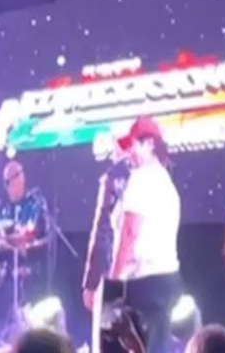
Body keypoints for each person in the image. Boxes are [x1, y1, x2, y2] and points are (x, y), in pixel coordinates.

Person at [107, 116, 182, 353]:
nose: (129, 153)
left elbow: (130, 232)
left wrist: (113, 283)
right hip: (165, 281)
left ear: (149, 144)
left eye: (133, 145)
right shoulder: (165, 181)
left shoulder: (142, 178)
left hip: (144, 284)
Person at [0, 160, 49, 341]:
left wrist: (14, 240)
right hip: (3, 269)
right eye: (5, 181)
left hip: (28, 266)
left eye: (10, 179)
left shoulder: (33, 204)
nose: (8, 185)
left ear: (21, 178)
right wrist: (4, 242)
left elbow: (32, 234)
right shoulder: (1, 209)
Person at [82, 139, 131, 352]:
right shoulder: (157, 173)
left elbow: (102, 230)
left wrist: (91, 282)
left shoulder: (115, 177)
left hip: (117, 276)